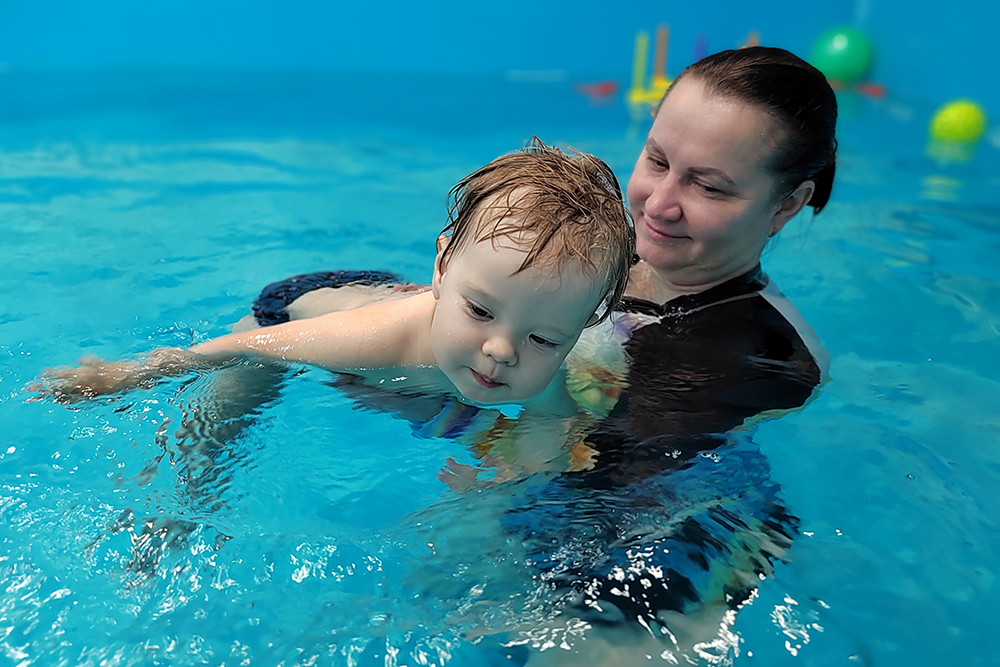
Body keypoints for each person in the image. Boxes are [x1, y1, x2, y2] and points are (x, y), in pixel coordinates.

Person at [498, 46, 839, 661]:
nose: (658, 205)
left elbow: (613, 485)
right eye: (657, 160)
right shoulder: (590, 249)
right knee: (289, 302)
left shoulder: (762, 355)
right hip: (563, 481)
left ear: (785, 205)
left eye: (708, 186)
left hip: (691, 531)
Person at [35, 138, 636, 421]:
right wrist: (126, 374)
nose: (502, 351)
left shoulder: (519, 339)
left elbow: (553, 422)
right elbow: (243, 347)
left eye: (544, 341)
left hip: (409, 304)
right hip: (296, 311)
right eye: (480, 312)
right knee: (222, 422)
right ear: (444, 265)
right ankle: (169, 516)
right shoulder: (375, 340)